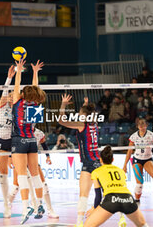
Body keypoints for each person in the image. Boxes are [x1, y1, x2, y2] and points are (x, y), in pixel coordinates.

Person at [11, 59, 46, 224]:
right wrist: (35, 72)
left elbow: (17, 85)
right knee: (35, 175)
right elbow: (36, 89)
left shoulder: (18, 101)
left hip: (19, 141)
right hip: (32, 140)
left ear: (24, 94)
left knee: (22, 176)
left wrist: (19, 71)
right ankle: (39, 204)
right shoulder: (36, 103)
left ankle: (26, 208)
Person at [59, 95, 101, 226]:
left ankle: (80, 222)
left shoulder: (81, 124)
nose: (78, 115)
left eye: (80, 113)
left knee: (85, 195)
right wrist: (85, 105)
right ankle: (83, 221)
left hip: (89, 163)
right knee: (94, 193)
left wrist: (63, 105)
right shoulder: (94, 123)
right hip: (96, 162)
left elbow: (61, 121)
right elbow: (89, 114)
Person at [84, 146, 149, 227]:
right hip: (128, 198)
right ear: (112, 160)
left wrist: (95, 208)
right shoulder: (120, 171)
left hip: (111, 199)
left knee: (87, 225)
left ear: (100, 159)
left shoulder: (96, 172)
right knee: (143, 224)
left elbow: (98, 195)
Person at [8, 127, 59, 219]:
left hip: (32, 162)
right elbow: (13, 144)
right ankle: (8, 205)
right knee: (16, 187)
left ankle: (49, 210)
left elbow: (44, 145)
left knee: (44, 186)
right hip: (20, 160)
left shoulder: (39, 133)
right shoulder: (19, 130)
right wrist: (10, 157)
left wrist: (48, 156)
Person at [122, 119, 153, 206]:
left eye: (143, 124)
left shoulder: (151, 135)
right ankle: (137, 201)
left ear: (146, 125)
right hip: (137, 160)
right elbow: (129, 151)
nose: (141, 125)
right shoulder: (133, 136)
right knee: (139, 184)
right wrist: (125, 165)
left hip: (148, 159)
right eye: (139, 124)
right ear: (137, 126)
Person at [0, 65, 16, 218]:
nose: (11, 97)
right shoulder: (2, 106)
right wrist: (10, 78)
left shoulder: (18, 108)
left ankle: (11, 198)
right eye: (10, 95)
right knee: (3, 174)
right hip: (2, 141)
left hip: (15, 141)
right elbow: (4, 91)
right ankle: (5, 204)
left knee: (22, 174)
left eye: (14, 95)